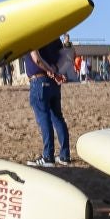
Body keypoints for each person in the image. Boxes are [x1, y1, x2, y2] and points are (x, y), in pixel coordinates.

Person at [26, 37, 71, 166]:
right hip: (53, 83)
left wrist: (49, 70)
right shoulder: (54, 36)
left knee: (44, 118)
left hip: (39, 80)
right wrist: (57, 71)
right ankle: (64, 155)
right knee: (57, 118)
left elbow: (36, 59)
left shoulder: (33, 34)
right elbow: (65, 55)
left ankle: (48, 156)